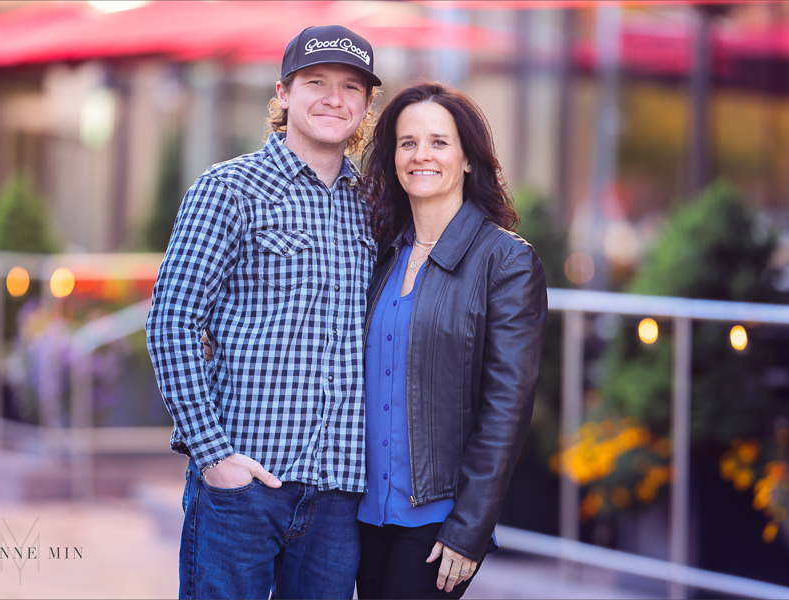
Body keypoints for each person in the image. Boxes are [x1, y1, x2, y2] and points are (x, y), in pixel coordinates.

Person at [145, 25, 381, 600]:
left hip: (339, 495)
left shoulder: (376, 205)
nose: (334, 97)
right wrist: (213, 455)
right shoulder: (229, 189)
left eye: (351, 86)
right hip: (243, 488)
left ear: (368, 104)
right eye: (316, 82)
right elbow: (171, 320)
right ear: (282, 93)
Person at [356, 81, 548, 598]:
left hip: (438, 519)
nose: (422, 156)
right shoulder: (379, 251)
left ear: (468, 159)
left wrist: (471, 528)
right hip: (361, 511)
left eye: (439, 142)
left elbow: (506, 409)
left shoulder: (505, 262)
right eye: (408, 142)